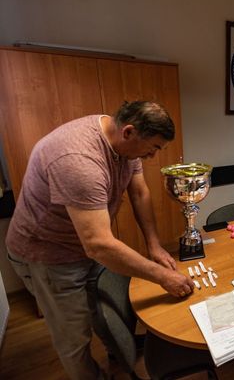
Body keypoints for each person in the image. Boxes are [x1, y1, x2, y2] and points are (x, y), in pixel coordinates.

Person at [6, 101, 195, 379]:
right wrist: (162, 277)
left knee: (104, 310)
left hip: (86, 245)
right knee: (74, 336)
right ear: (129, 132)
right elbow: (98, 244)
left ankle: (117, 354)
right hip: (47, 254)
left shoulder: (124, 142)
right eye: (153, 148)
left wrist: (153, 245)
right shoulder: (78, 159)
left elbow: (139, 193)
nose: (153, 156)